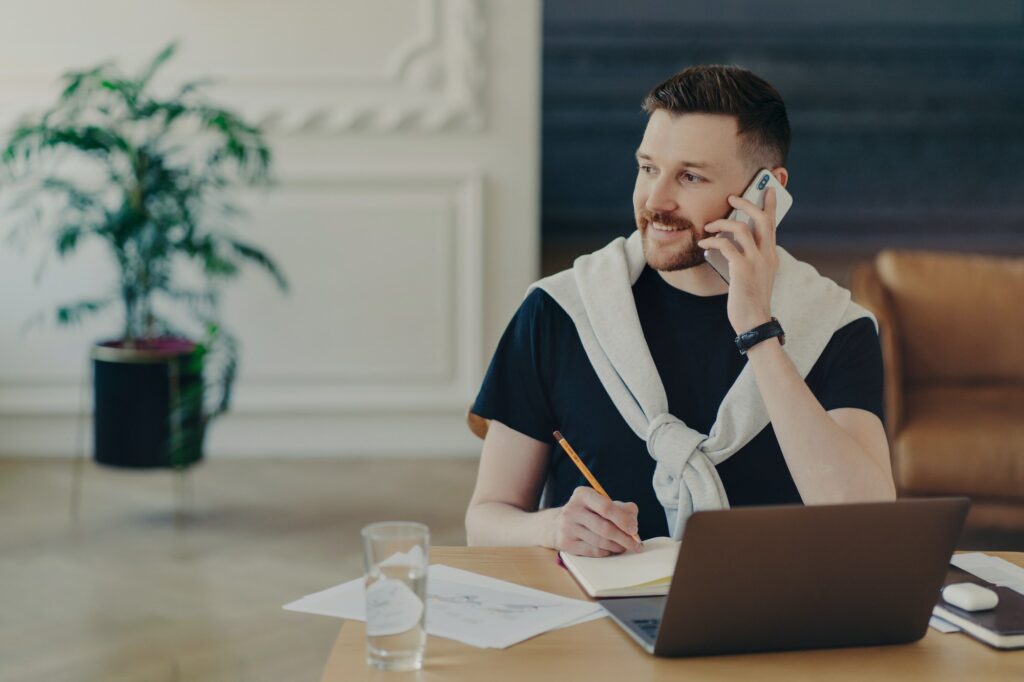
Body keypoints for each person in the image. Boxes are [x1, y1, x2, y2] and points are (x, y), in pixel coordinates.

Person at [465, 65, 895, 558]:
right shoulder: (560, 310)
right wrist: (552, 528)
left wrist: (758, 330)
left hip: (773, 619)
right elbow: (485, 519)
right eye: (648, 168)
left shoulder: (835, 326)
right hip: (593, 621)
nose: (655, 200)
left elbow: (865, 523)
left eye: (690, 176)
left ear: (766, 192)